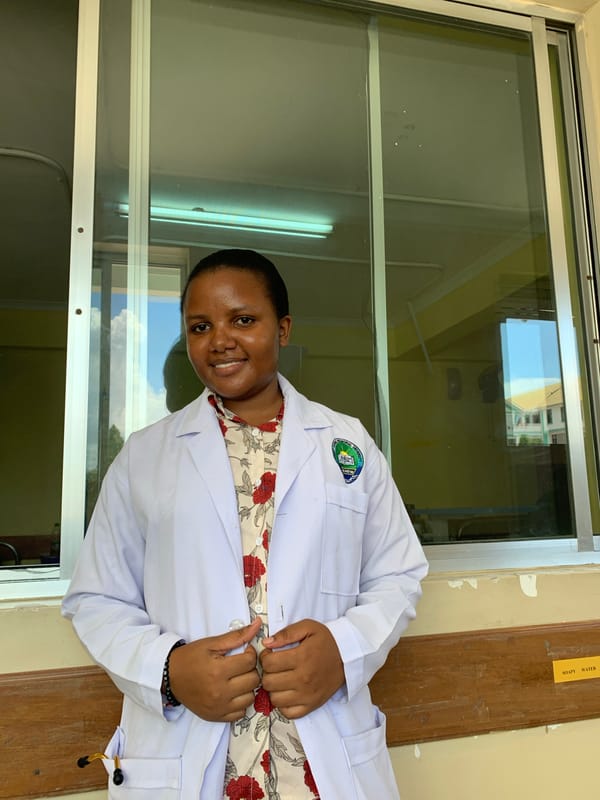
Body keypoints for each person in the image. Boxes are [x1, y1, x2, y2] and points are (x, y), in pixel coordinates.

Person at [62, 248, 428, 800]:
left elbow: (398, 573)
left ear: (282, 329)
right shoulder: (145, 456)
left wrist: (343, 651)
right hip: (191, 750)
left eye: (243, 319)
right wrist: (168, 671)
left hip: (318, 757)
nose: (220, 340)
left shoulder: (346, 442)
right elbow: (95, 597)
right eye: (200, 327)